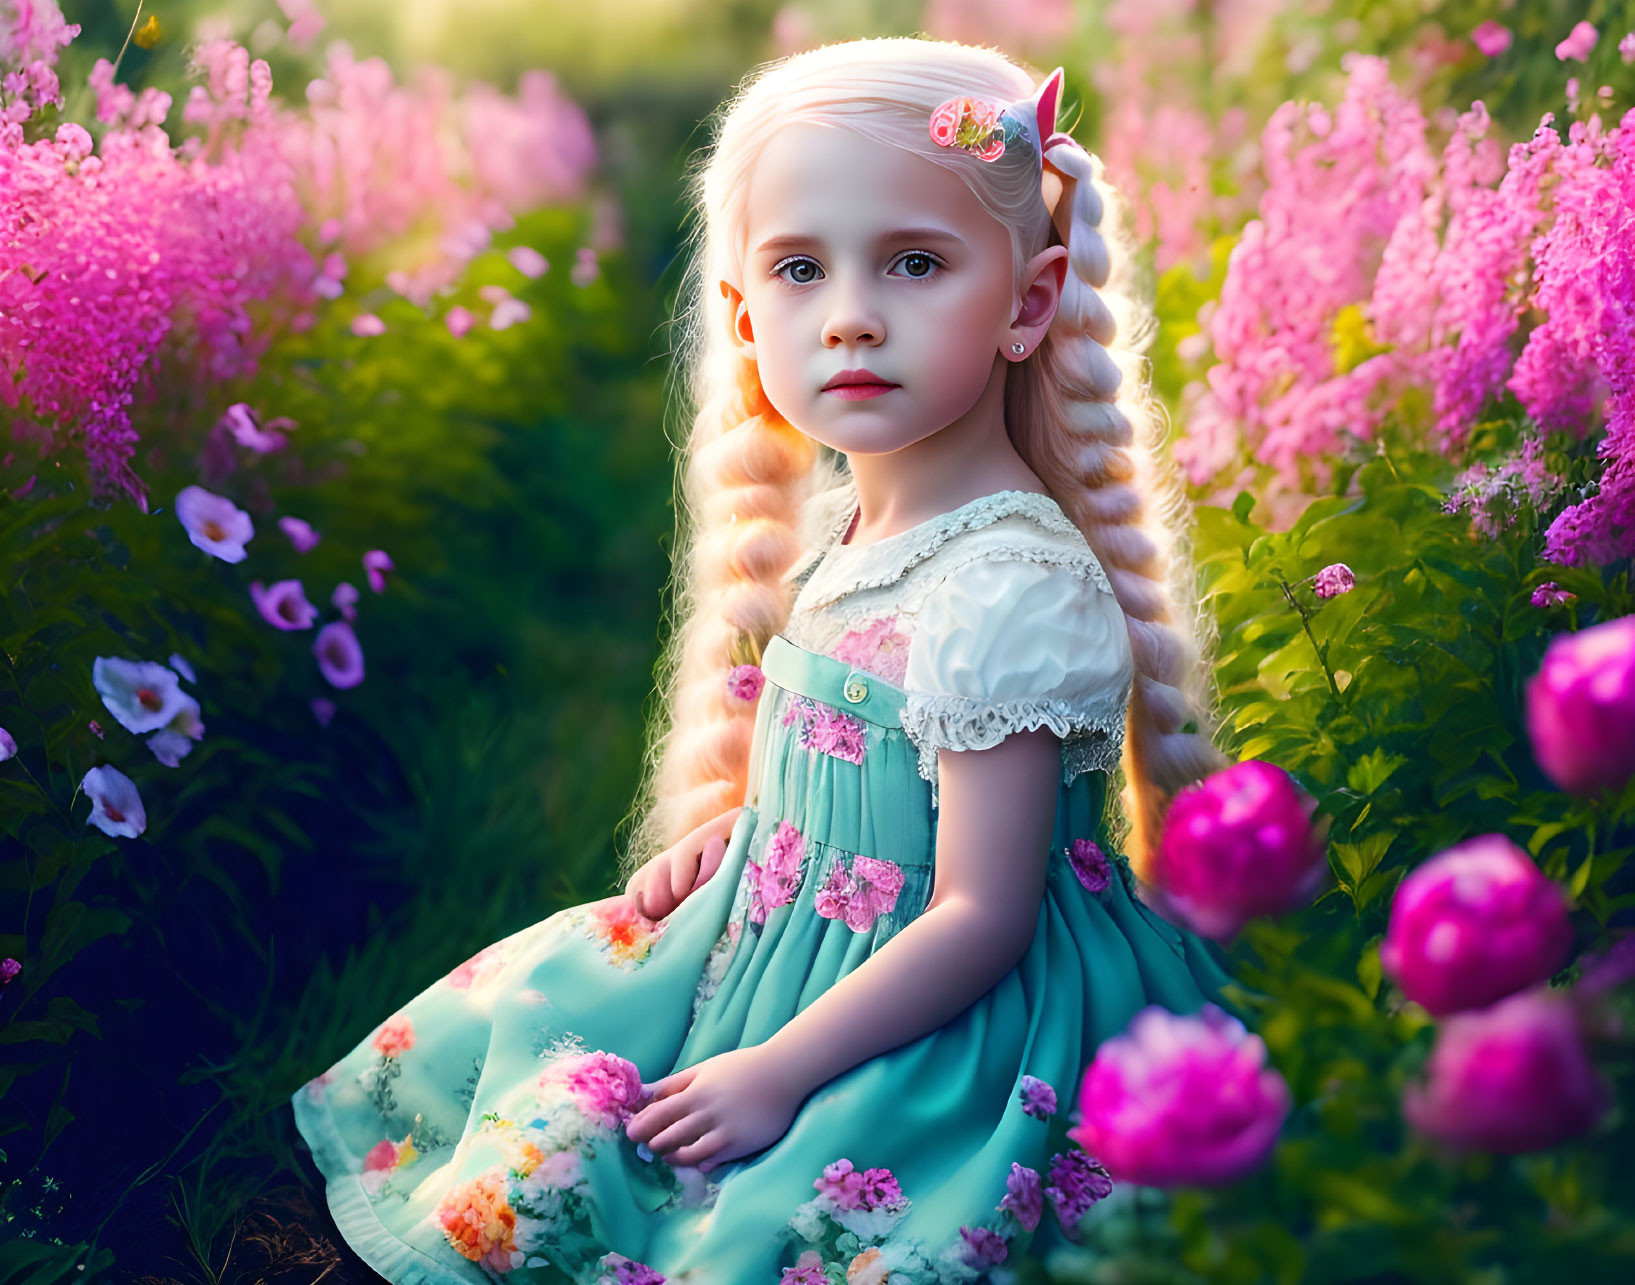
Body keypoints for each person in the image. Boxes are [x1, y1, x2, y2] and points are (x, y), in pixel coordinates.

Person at [290, 36, 1255, 1285]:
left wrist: (778, 1072)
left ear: (1028, 302)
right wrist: (751, 830)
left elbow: (981, 913)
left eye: (915, 262)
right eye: (801, 269)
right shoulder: (876, 528)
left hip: (952, 1014)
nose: (851, 312)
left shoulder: (1009, 586)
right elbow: (860, 763)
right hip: (804, 932)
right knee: (553, 1032)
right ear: (748, 317)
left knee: (806, 1219)